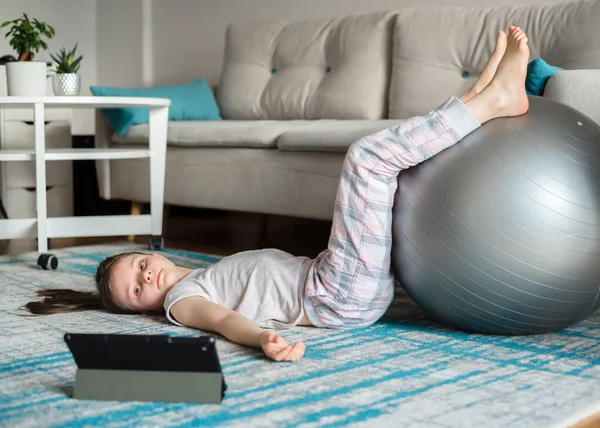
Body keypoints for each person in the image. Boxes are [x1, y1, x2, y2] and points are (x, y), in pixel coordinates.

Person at [25, 27, 530, 362]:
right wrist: (260, 339)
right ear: (145, 311)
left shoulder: (198, 271)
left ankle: (483, 92)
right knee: (368, 160)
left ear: (145, 253)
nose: (146, 277)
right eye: (137, 291)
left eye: (137, 266)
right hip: (336, 294)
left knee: (392, 166)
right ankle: (486, 101)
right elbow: (222, 320)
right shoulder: (182, 300)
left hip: (337, 281)